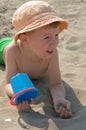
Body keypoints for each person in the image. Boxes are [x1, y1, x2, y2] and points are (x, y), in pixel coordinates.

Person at [0, 1, 72, 118]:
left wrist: (59, 99)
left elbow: (56, 83)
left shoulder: (52, 52)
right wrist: (18, 94)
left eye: (56, 35)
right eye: (46, 37)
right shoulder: (13, 51)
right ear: (24, 39)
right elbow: (9, 83)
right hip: (2, 48)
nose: (54, 43)